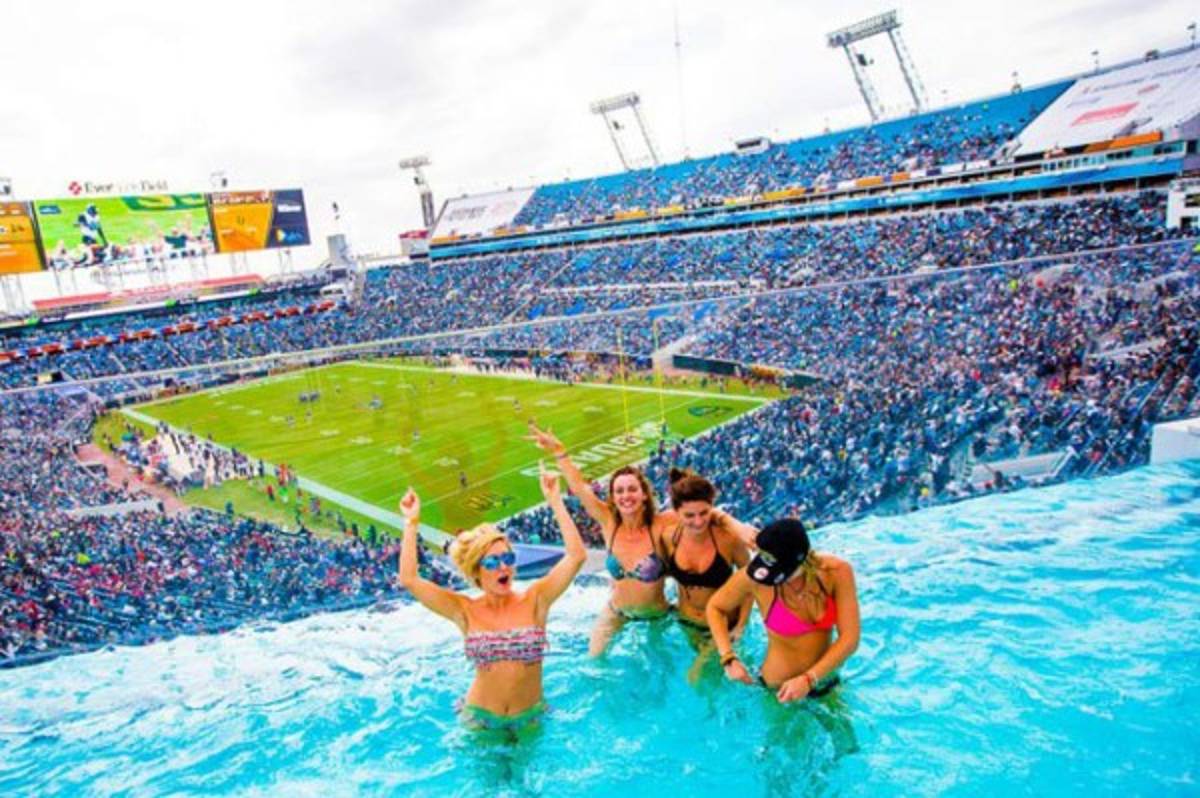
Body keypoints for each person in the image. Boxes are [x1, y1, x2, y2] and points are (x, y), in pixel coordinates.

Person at [398, 463, 586, 730]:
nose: (503, 567)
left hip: (530, 716)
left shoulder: (536, 599)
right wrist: (411, 523)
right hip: (480, 718)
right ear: (476, 572)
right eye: (492, 562)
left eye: (508, 558)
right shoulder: (464, 610)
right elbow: (409, 579)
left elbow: (577, 556)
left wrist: (555, 501)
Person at [527, 421, 670, 656]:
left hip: (656, 616)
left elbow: (698, 512)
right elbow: (580, 488)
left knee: (661, 668)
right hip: (617, 612)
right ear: (612, 497)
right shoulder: (608, 522)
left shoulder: (661, 524)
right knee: (594, 661)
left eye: (632, 489)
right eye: (619, 491)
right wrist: (559, 451)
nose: (626, 496)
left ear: (644, 494)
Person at [707, 518, 860, 702]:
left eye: (778, 574)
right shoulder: (754, 579)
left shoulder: (836, 572)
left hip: (824, 681)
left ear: (799, 562)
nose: (769, 579)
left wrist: (808, 679)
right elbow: (715, 608)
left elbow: (850, 639)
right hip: (778, 691)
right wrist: (728, 658)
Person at [660, 468, 753, 646]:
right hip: (687, 623)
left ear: (712, 507)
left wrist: (741, 627)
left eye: (704, 513)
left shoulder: (729, 539)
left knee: (698, 666)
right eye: (689, 515)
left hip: (725, 625)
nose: (698, 521)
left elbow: (750, 584)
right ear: (676, 512)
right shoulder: (669, 537)